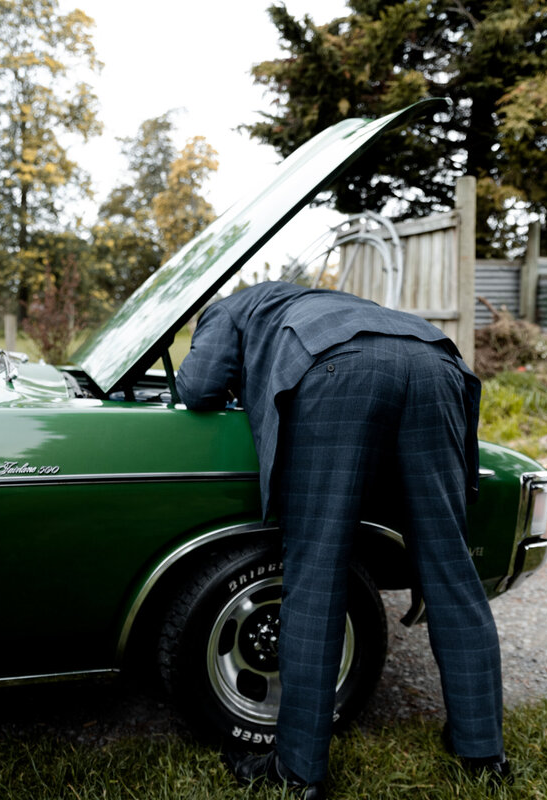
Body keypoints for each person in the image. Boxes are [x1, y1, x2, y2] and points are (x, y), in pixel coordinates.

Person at [175, 281, 510, 798]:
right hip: (438, 364)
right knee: (451, 571)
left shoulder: (230, 306)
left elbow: (198, 389)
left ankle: (298, 772)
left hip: (337, 373)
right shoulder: (337, 300)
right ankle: (483, 751)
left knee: (317, 576)